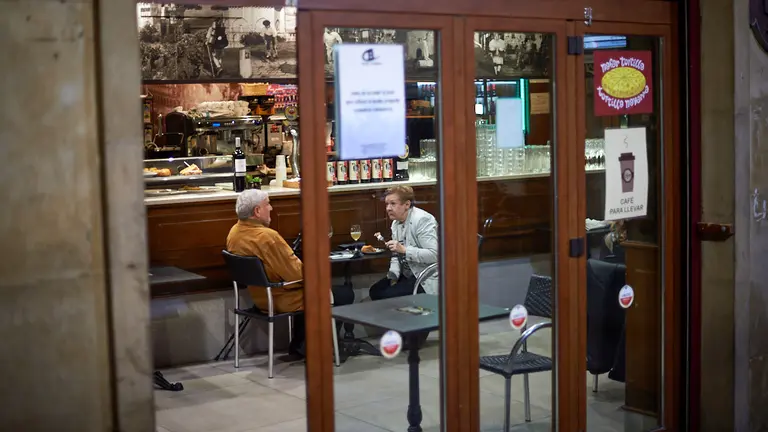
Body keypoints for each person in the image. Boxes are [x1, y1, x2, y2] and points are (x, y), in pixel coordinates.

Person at [226, 190, 354, 358]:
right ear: (257, 211)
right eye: (268, 204)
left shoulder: (234, 233)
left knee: (311, 292)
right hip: (281, 299)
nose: (271, 208)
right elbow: (295, 275)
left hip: (260, 298)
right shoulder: (267, 237)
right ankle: (321, 350)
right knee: (342, 293)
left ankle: (301, 347)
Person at [369, 186, 438, 300]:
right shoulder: (396, 223)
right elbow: (396, 255)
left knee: (386, 296)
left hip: (424, 278)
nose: (388, 208)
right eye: (387, 204)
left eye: (393, 204)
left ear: (407, 204)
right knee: (375, 291)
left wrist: (405, 250)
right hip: (406, 274)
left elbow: (435, 255)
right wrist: (393, 276)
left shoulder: (422, 220)